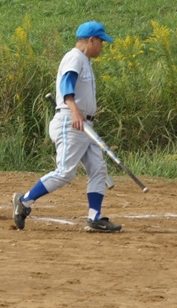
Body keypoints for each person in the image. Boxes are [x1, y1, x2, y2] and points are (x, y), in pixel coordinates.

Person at [12, 21, 121, 233]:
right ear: (91, 40)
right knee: (65, 172)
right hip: (71, 121)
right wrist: (74, 109)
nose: (102, 46)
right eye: (101, 41)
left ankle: (95, 218)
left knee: (98, 169)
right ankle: (24, 201)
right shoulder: (74, 57)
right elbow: (65, 85)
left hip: (84, 124)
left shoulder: (85, 61)